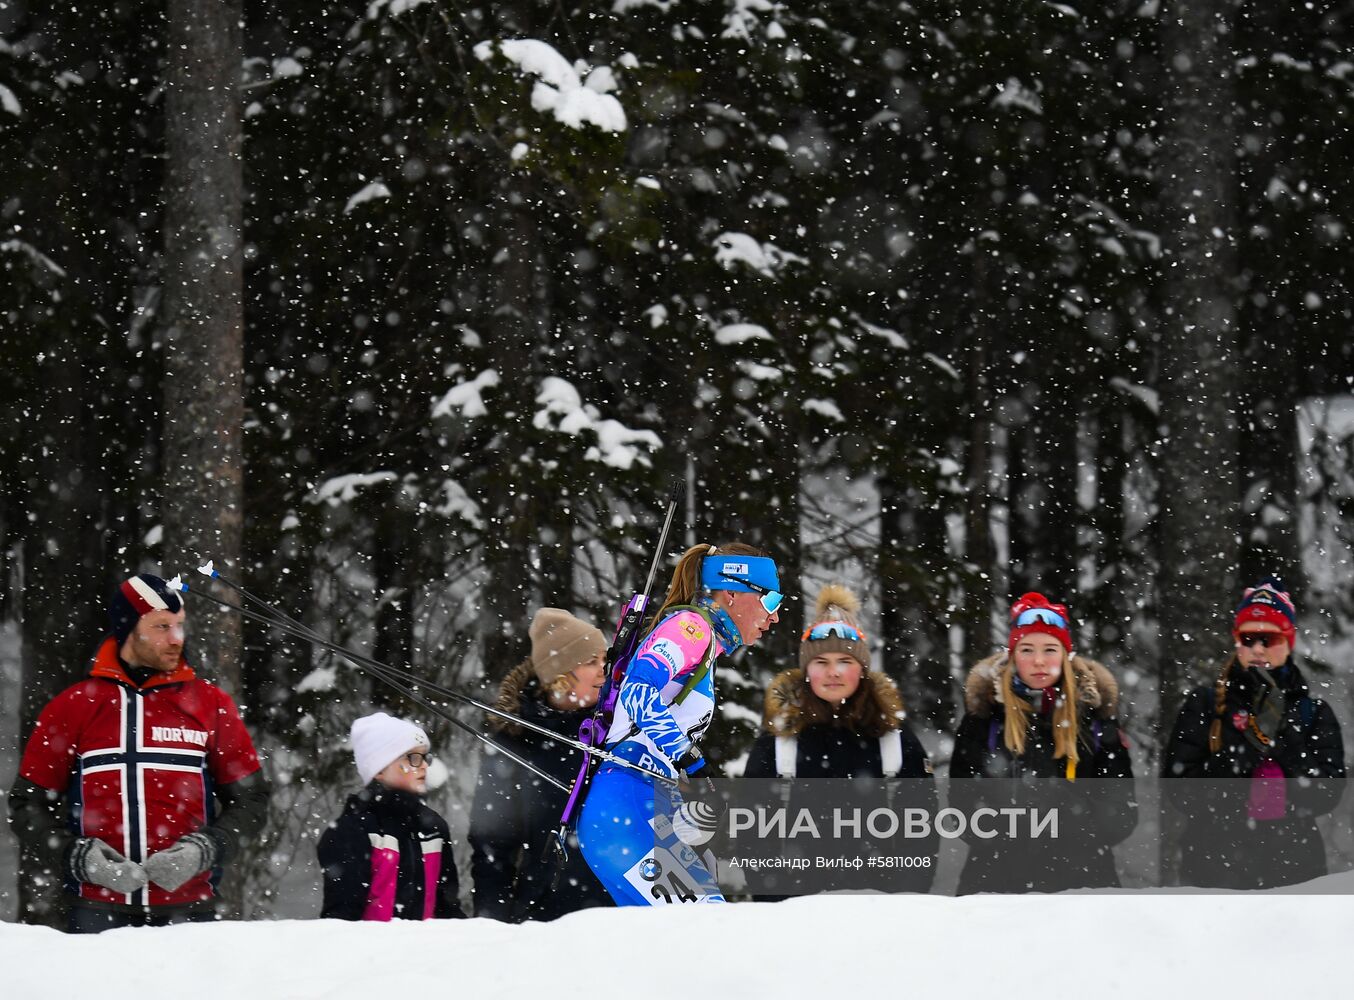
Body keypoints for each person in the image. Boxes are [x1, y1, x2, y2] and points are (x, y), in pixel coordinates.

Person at [7, 573, 269, 932]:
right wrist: (79, 858)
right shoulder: (74, 706)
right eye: (162, 626)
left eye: (179, 626)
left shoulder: (211, 705)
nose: (176, 638)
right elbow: (26, 805)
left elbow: (252, 801)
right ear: (128, 628)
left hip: (191, 913)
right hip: (95, 913)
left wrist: (204, 850)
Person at [578, 542, 781, 905]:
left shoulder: (705, 642)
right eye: (770, 601)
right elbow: (638, 692)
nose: (774, 616)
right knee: (705, 930)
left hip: (644, 804)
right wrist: (692, 760)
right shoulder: (691, 628)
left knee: (681, 945)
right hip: (626, 805)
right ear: (733, 594)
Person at [744, 583, 938, 895]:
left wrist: (904, 904)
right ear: (807, 670)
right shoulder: (779, 742)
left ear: (861, 669)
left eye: (845, 662)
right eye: (821, 662)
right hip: (797, 914)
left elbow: (922, 838)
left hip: (881, 912)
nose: (833, 672)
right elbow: (753, 838)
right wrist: (775, 907)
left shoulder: (895, 741)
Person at [1162, 577, 1346, 888]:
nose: (1258, 649)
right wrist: (1245, 747)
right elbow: (1180, 790)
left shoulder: (1313, 712)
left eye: (1268, 639)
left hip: (1294, 874)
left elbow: (1326, 793)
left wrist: (1284, 741)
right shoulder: (1207, 704)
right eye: (1248, 640)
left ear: (1289, 642)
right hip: (1214, 872)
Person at [949, 592, 1136, 894]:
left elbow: (1123, 814)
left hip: (1083, 886)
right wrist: (1010, 819)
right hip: (995, 887)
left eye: (1050, 649)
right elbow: (960, 810)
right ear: (1013, 655)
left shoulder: (1096, 719)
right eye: (1026, 650)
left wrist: (1070, 812)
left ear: (1065, 655)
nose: (1038, 661)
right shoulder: (983, 719)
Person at [469, 607, 612, 921]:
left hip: (623, 915)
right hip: (547, 922)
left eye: (604, 659)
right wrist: (494, 926)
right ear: (560, 678)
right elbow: (493, 848)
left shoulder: (621, 729)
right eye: (591, 662)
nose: (604, 670)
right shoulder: (514, 741)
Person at [317, 712, 465, 920]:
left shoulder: (433, 828)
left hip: (427, 951)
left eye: (425, 757)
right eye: (412, 757)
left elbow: (447, 910)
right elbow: (341, 920)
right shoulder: (353, 829)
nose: (423, 765)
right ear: (379, 770)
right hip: (375, 951)